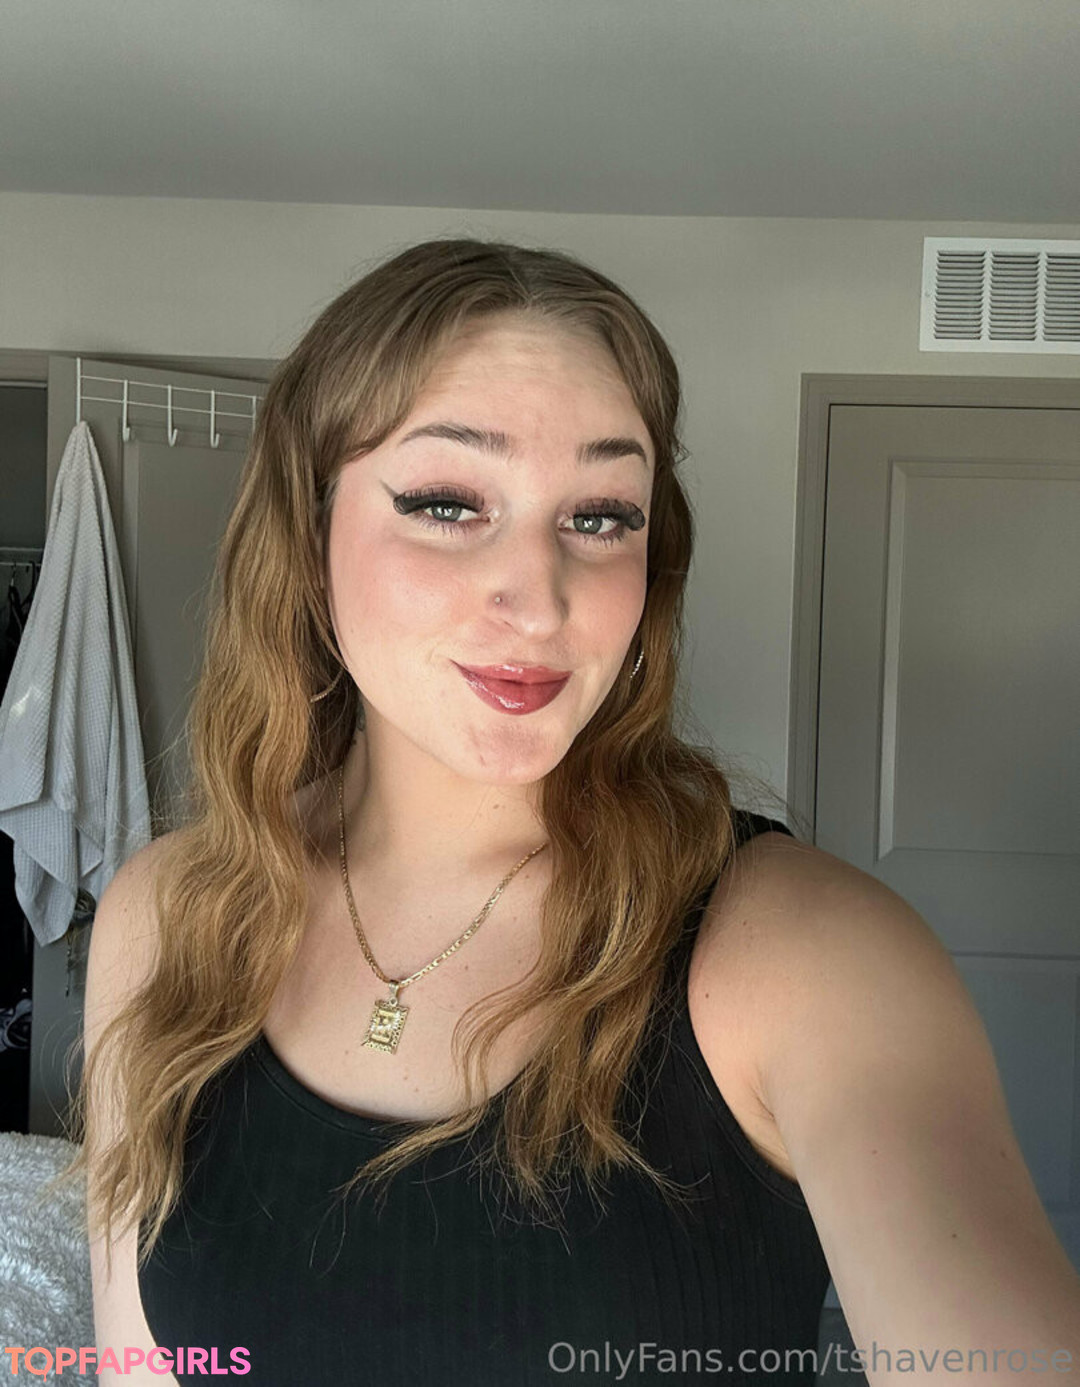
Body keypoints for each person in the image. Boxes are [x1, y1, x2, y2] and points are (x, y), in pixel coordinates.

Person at [75, 239, 1080, 1386]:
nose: (540, 598)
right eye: (448, 503)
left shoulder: (806, 953)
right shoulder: (168, 917)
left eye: (601, 515)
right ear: (309, 535)